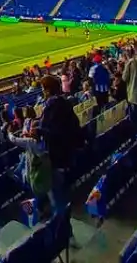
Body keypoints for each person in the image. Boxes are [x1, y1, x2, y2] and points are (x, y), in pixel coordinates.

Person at [39, 75, 82, 229]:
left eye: (44, 89)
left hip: (56, 157)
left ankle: (63, 231)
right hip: (67, 156)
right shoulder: (66, 104)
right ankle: (64, 225)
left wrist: (39, 131)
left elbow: (51, 132)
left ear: (49, 90)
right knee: (61, 193)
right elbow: (75, 126)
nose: (43, 92)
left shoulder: (51, 106)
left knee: (58, 196)